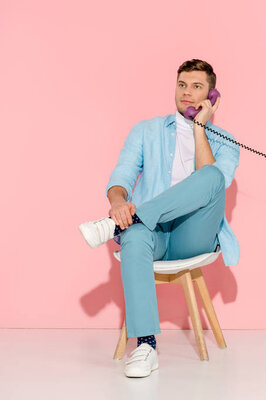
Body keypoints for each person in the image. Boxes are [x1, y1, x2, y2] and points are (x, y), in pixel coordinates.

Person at [78, 59, 240, 378]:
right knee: (136, 236)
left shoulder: (225, 141)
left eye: (197, 87)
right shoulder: (146, 130)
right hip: (153, 233)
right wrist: (117, 202)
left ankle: (122, 225)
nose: (187, 93)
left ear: (212, 96)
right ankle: (146, 347)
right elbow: (122, 174)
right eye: (182, 85)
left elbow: (215, 182)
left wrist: (199, 128)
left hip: (193, 234)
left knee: (211, 177)